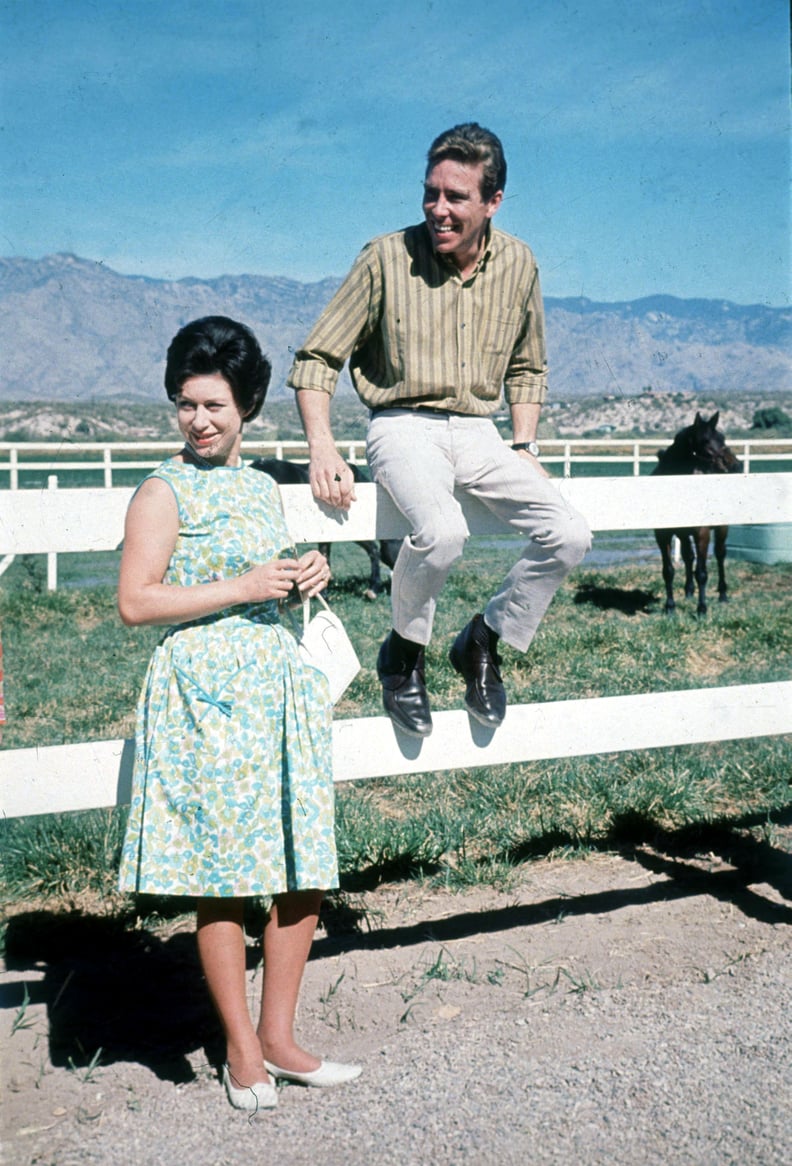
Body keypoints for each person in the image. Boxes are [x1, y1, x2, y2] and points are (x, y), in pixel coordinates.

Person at [117, 316, 361, 1114]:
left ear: (248, 405)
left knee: (302, 862)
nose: (199, 421)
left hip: (276, 691)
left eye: (215, 404)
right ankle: (241, 1049)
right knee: (223, 877)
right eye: (185, 404)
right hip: (205, 699)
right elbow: (136, 601)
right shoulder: (163, 489)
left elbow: (270, 578)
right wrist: (244, 587)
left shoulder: (260, 485)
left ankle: (283, 1039)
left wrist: (304, 573)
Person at [288, 122, 591, 738]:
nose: (438, 209)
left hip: (481, 431)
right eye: (431, 193)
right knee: (443, 531)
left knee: (569, 533)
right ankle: (403, 654)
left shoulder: (519, 263)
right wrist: (323, 447)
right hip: (402, 426)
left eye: (456, 197)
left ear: (492, 202)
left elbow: (528, 365)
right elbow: (317, 359)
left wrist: (526, 445)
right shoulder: (384, 258)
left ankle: (483, 638)